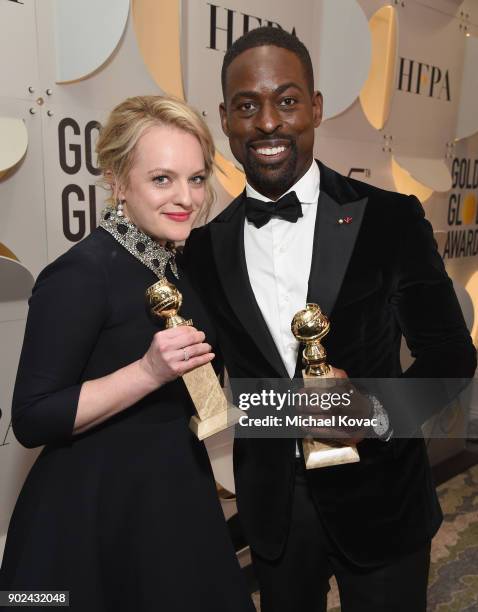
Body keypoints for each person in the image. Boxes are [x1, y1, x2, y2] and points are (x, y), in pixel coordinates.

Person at [182, 27, 477, 612]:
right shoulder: (202, 250)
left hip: (383, 496)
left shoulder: (390, 219)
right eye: (247, 106)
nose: (268, 122)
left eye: (287, 101)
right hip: (273, 513)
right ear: (224, 119)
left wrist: (372, 412)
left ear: (314, 108)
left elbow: (452, 357)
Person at [0, 95, 255, 612]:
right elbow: (32, 417)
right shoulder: (80, 274)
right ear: (117, 181)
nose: (185, 197)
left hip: (176, 499)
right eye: (162, 179)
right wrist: (146, 371)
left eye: (197, 178)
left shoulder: (180, 267)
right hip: (92, 519)